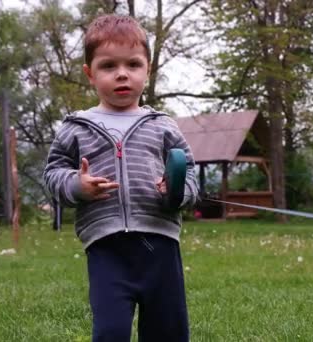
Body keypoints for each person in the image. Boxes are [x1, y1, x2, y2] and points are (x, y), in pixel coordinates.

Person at [43, 14, 198, 342]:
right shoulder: (76, 127)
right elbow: (53, 174)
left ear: (148, 69)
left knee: (167, 331)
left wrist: (176, 191)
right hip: (106, 248)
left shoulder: (162, 125)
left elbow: (190, 173)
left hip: (160, 244)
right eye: (109, 66)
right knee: (110, 331)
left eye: (133, 64)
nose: (122, 74)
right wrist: (77, 185)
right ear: (90, 73)